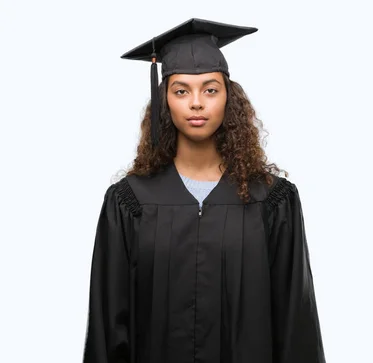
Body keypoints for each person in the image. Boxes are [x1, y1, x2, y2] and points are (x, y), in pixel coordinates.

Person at [82, 18, 326, 363]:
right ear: (164, 100)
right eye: (181, 90)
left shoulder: (272, 201)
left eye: (210, 89)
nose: (197, 103)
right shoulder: (130, 202)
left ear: (230, 98)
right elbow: (109, 327)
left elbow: (295, 324)